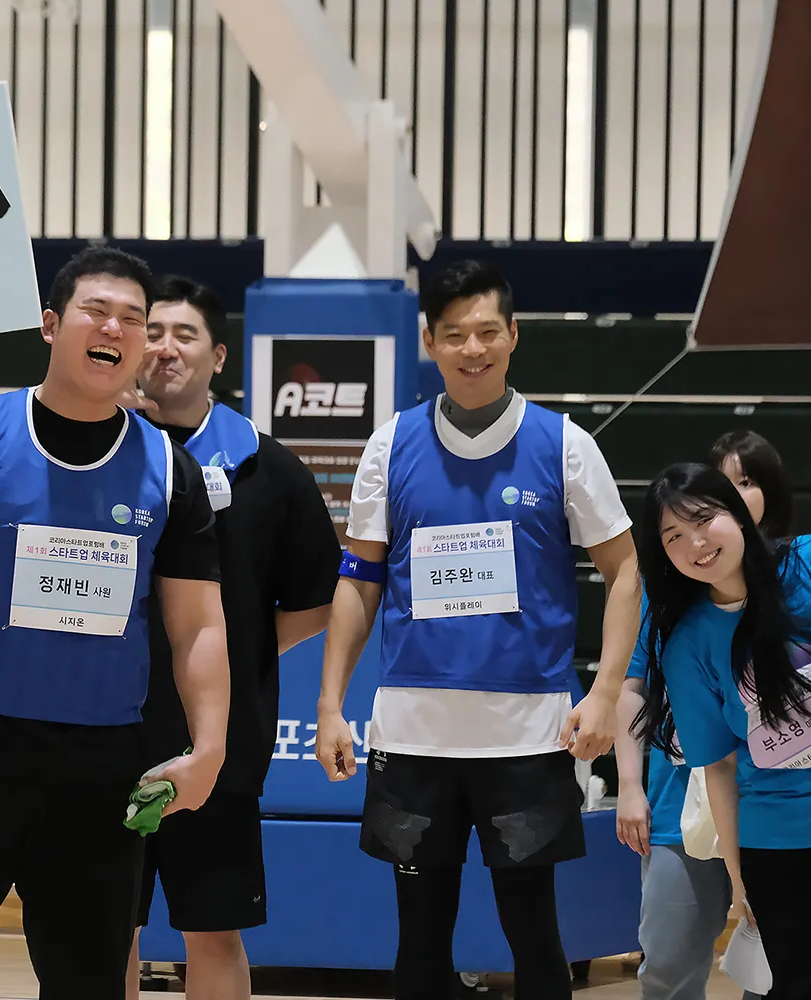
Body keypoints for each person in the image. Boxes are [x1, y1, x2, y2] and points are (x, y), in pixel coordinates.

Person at [0, 248, 231, 1000]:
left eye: (133, 319)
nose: (115, 328)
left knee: (89, 983)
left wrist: (210, 749)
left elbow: (199, 629)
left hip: (96, 773)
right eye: (97, 311)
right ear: (51, 325)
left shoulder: (169, 469)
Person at [315, 260, 642, 999]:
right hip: (412, 737)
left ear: (514, 335)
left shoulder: (565, 445)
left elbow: (625, 570)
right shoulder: (389, 445)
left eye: (488, 332)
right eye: (455, 334)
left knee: (535, 937)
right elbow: (359, 581)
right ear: (429, 341)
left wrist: (603, 692)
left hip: (528, 738)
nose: (473, 349)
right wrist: (331, 704)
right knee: (419, 942)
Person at [121, 276, 341, 1000]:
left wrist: (231, 656)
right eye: (153, 332)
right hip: (102, 731)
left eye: (184, 335)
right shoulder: (94, 451)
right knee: (103, 925)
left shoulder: (267, 468)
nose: (165, 348)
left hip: (216, 743)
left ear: (217, 357)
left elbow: (318, 598)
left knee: (213, 929)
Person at [635, 463, 811, 1000]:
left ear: (736, 512)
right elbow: (719, 767)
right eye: (673, 536)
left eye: (704, 519)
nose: (695, 543)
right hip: (776, 841)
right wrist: (738, 879)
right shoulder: (687, 645)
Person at [615, 429, 795, 1000]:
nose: (737, 493)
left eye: (747, 481)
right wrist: (628, 786)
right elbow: (631, 686)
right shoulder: (669, 600)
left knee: (774, 964)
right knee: (668, 960)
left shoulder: (798, 575)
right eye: (723, 483)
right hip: (681, 800)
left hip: (776, 801)